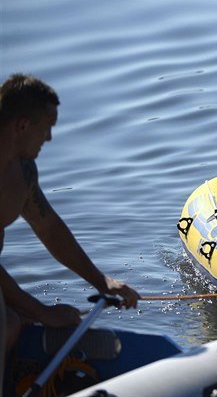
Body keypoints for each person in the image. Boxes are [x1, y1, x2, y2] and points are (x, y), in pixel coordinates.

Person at [0, 74, 140, 355]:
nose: (49, 138)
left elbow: (49, 229)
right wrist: (42, 312)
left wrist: (102, 282)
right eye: (47, 128)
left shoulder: (23, 171)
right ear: (23, 125)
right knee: (9, 326)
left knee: (18, 321)